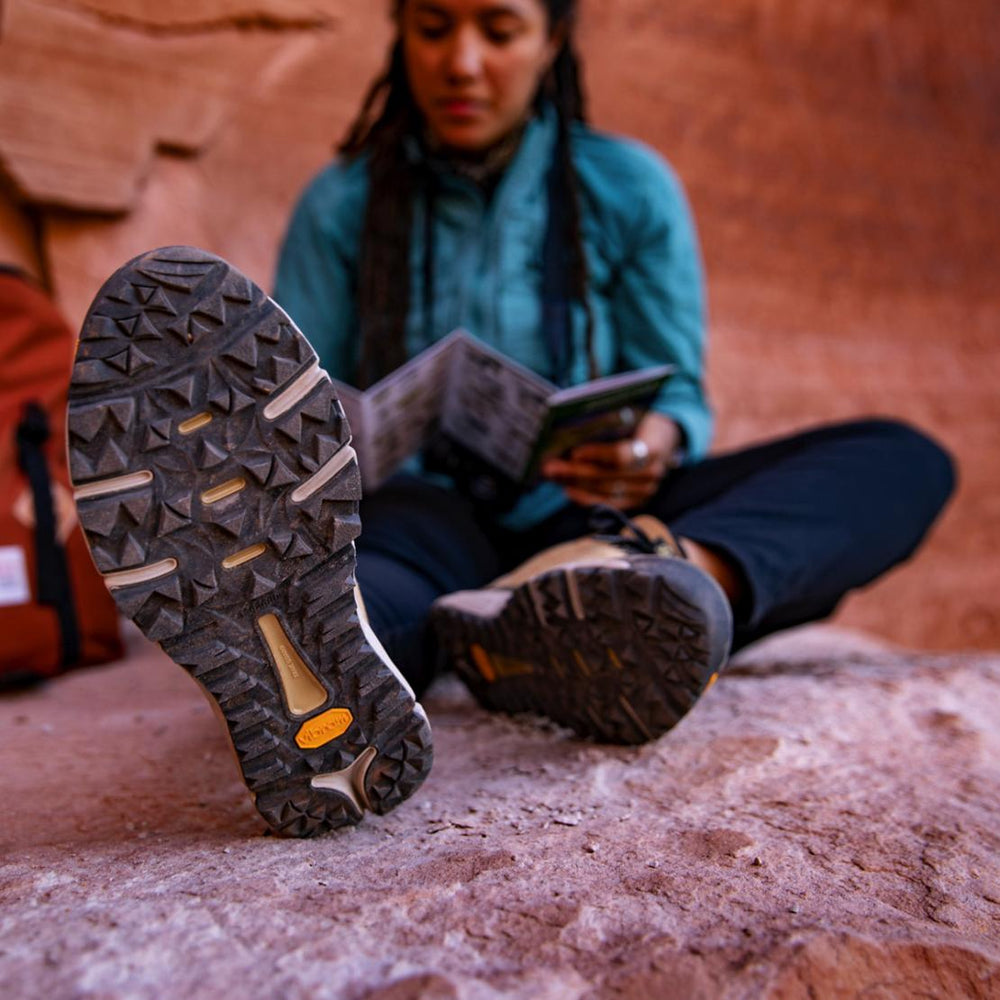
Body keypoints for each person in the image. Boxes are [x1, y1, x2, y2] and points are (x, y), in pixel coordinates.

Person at [66, 0, 953, 837]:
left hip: (593, 515)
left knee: (900, 459)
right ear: (399, 34)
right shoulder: (342, 203)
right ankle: (345, 650)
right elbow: (295, 397)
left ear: (553, 38)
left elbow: (678, 391)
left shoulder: (627, 187)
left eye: (498, 29)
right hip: (418, 517)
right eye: (433, 27)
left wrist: (651, 446)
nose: (463, 63)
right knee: (359, 589)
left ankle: (648, 582)